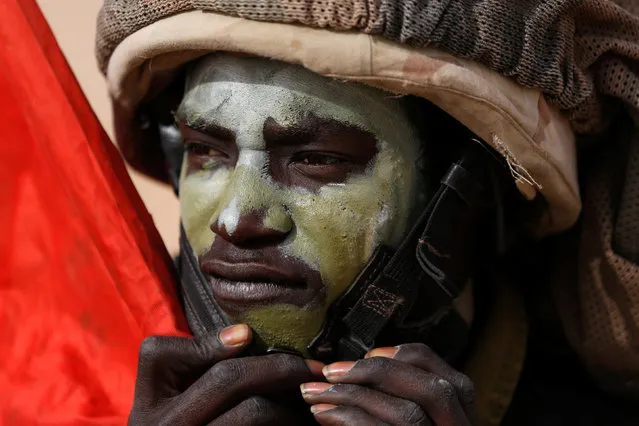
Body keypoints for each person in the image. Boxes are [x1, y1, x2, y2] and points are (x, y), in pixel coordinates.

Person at [96, 1, 639, 424]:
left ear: (466, 196)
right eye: (207, 152)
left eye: (316, 160)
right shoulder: (57, 377)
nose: (237, 220)